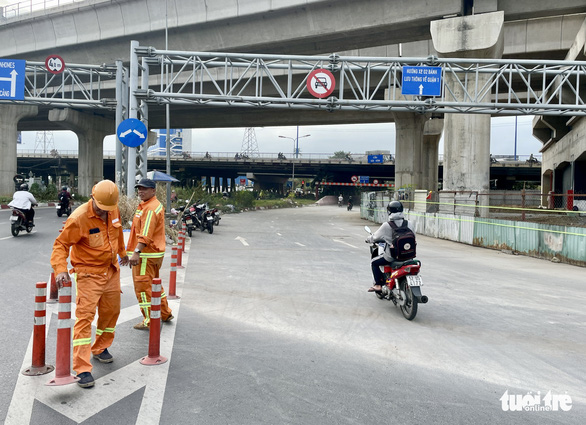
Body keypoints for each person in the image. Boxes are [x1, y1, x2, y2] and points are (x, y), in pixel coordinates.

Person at [50, 180, 129, 389]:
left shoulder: (113, 210)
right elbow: (60, 245)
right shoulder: (79, 218)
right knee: (85, 319)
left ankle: (101, 347)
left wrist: (122, 253)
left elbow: (117, 233)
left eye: (108, 210)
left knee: (111, 311)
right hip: (88, 274)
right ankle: (82, 367)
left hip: (111, 270)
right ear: (93, 198)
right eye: (102, 209)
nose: (105, 213)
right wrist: (60, 270)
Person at [127, 178, 174, 330]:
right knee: (154, 286)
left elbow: (145, 234)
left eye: (145, 189)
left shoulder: (150, 208)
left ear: (153, 191)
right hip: (153, 254)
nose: (141, 191)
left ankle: (148, 320)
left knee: (143, 288)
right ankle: (165, 313)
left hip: (146, 255)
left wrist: (136, 252)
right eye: (139, 188)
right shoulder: (148, 205)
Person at [365, 200, 415, 292]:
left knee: (374, 262)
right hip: (409, 256)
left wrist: (368, 239)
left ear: (389, 211)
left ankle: (378, 285)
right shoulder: (409, 223)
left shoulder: (387, 225)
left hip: (392, 257)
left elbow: (375, 237)